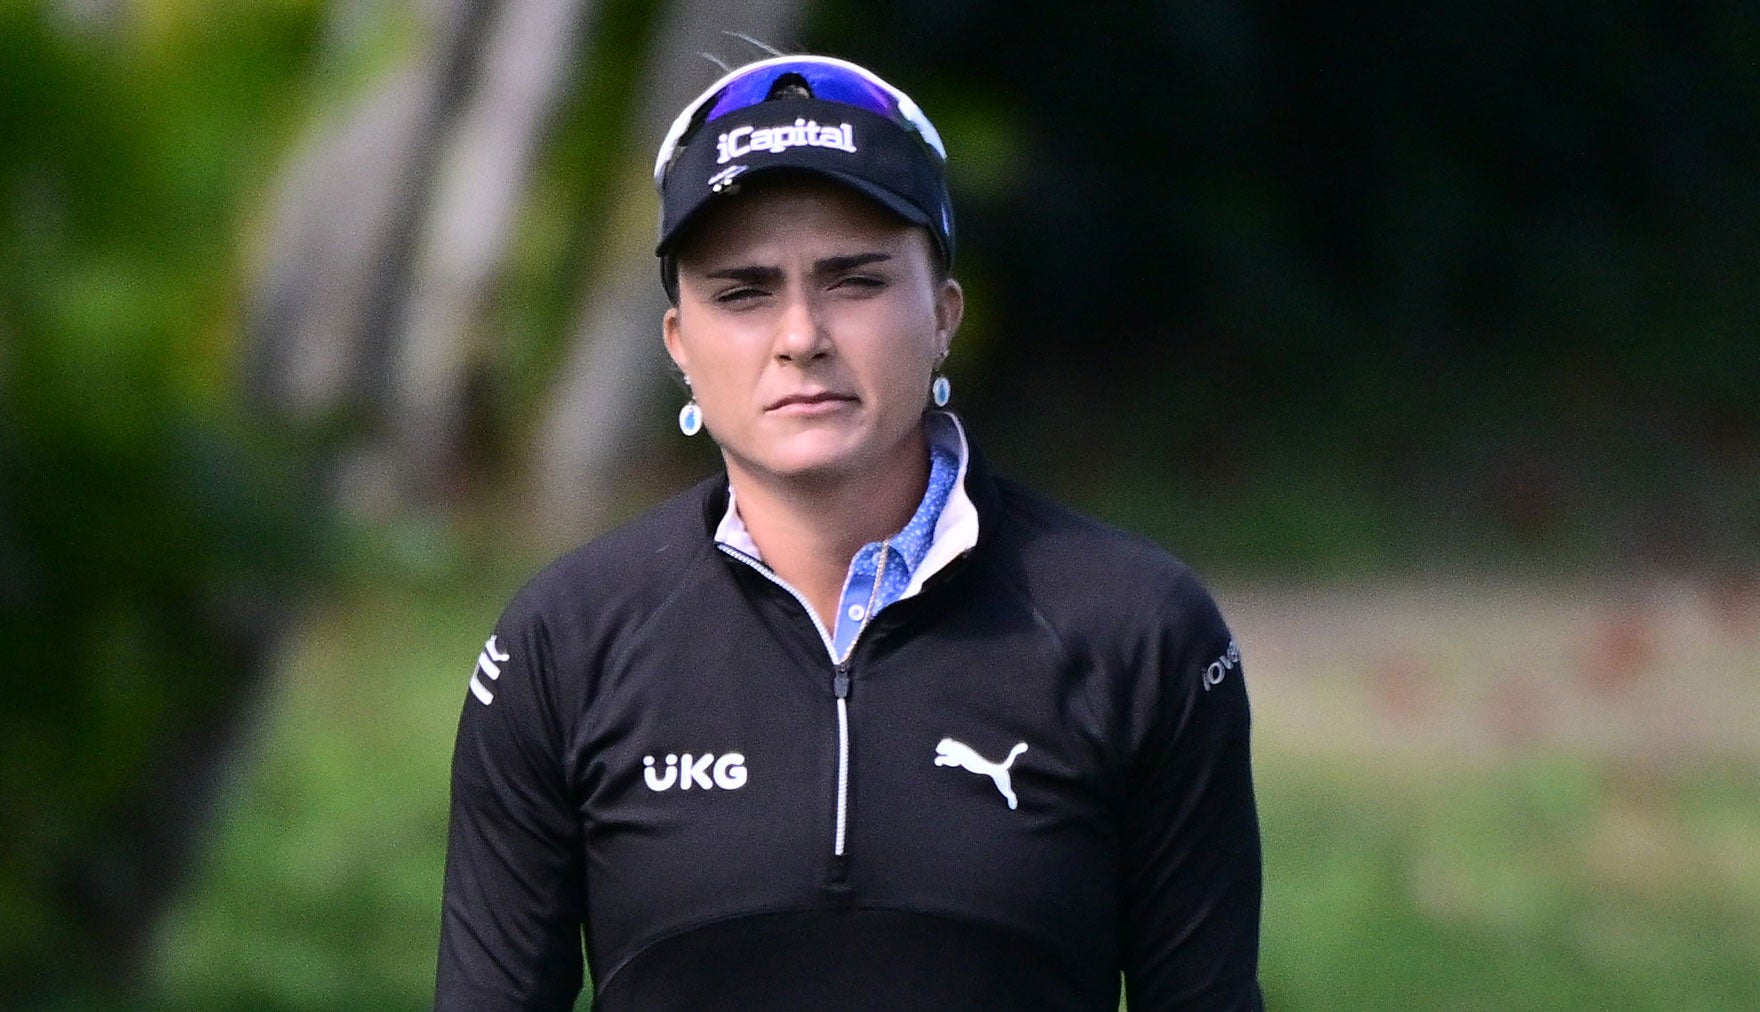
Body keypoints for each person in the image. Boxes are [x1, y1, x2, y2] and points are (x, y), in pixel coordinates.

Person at [435, 53, 1263, 1011]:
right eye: (742, 291)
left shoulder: (1141, 630)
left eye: (855, 280)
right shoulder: (562, 643)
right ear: (678, 346)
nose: (800, 335)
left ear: (944, 314)